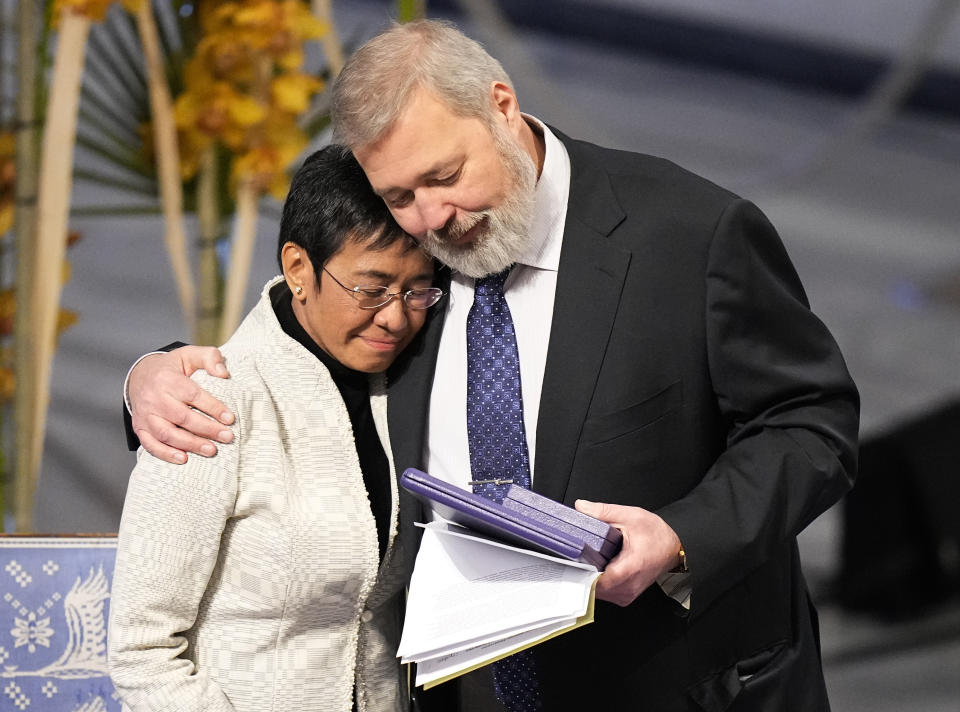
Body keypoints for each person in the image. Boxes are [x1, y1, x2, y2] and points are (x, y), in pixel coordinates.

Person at [124, 20, 859, 711]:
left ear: (502, 106)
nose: (434, 216)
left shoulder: (689, 233)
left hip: (670, 683)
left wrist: (681, 535)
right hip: (462, 690)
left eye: (446, 174)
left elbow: (811, 420)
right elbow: (306, 329)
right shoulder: (415, 270)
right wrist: (154, 377)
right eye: (399, 196)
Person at [108, 145, 443, 712]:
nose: (395, 316)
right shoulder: (211, 402)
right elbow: (142, 653)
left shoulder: (414, 382)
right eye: (371, 288)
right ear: (298, 269)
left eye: (417, 290)